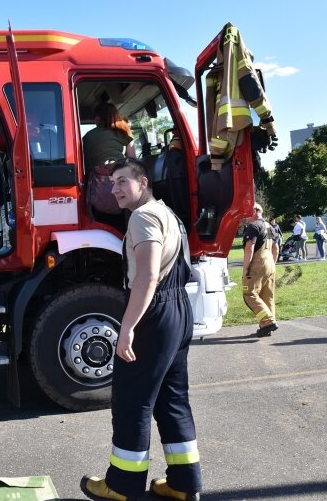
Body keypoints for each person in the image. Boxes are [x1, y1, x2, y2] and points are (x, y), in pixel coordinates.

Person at [82, 158, 202, 501]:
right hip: (178, 310)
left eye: (122, 182)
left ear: (143, 182)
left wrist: (128, 328)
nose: (114, 189)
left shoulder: (143, 217)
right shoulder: (168, 215)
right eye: (112, 182)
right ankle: (183, 482)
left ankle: (121, 485)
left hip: (155, 312)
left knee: (132, 401)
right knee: (172, 399)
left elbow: (148, 276)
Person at [82, 103, 137, 230]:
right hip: (122, 184)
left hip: (98, 188)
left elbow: (86, 164)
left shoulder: (87, 137)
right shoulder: (124, 134)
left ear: (97, 118)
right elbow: (133, 161)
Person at [241, 204, 280, 337]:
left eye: (246, 211)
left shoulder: (253, 226)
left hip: (258, 263)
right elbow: (276, 248)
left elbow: (249, 248)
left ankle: (268, 321)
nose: (244, 215)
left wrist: (246, 268)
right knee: (267, 296)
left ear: (255, 211)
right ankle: (267, 326)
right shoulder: (270, 226)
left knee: (249, 293)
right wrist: (273, 264)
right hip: (270, 262)